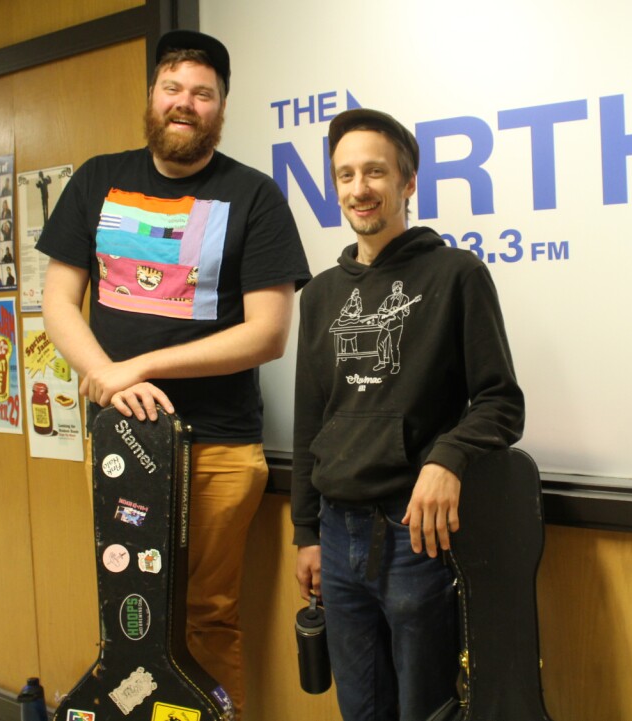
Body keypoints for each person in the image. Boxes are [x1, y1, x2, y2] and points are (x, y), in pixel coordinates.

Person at [36, 29, 311, 719]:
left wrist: (140, 365)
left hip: (216, 443)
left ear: (220, 107)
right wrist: (106, 376)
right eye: (172, 88)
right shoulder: (98, 178)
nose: (184, 103)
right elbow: (57, 301)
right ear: (151, 97)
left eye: (202, 93)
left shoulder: (253, 196)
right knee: (127, 611)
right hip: (121, 442)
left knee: (206, 618)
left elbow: (268, 334)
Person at [292, 109, 524, 721]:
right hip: (337, 539)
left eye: (374, 171)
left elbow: (501, 402)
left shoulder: (457, 275)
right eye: (345, 175)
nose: (359, 188)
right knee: (360, 710)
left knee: (429, 709)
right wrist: (305, 532)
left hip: (416, 538)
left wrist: (448, 457)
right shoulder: (318, 295)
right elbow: (310, 424)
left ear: (407, 182)